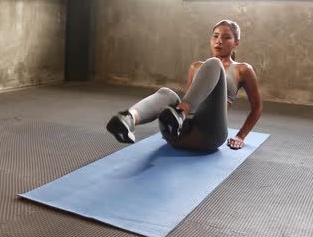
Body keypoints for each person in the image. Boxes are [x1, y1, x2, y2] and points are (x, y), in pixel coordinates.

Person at [106, 20, 263, 151]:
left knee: (213, 64)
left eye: (226, 37)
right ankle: (129, 118)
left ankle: (180, 113)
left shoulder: (242, 69)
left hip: (209, 134)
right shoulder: (196, 67)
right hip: (178, 135)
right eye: (215, 36)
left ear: (236, 43)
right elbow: (190, 99)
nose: (219, 41)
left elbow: (257, 107)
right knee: (167, 93)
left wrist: (240, 136)